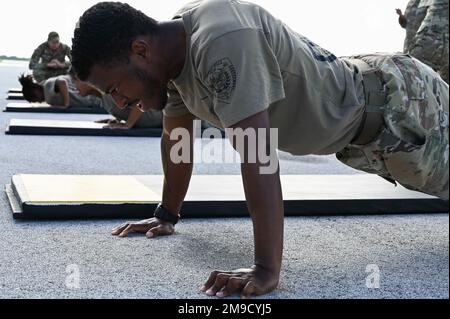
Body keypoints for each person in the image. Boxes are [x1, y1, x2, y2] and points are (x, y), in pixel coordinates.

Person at [71, 0, 449, 298]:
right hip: (372, 125)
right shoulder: (172, 61)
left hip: (403, 106)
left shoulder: (221, 42)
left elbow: (258, 156)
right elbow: (177, 142)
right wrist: (166, 214)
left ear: (140, 50)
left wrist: (265, 269)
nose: (120, 103)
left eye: (115, 88)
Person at [75, 79, 163, 129]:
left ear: (87, 81)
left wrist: (128, 124)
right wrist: (118, 120)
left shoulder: (111, 90)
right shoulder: (102, 100)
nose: (75, 86)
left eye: (77, 80)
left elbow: (141, 97)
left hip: (161, 116)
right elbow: (124, 108)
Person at [396, 0, 449, 83]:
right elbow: (408, 24)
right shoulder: (413, 3)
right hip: (413, 55)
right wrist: (401, 17)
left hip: (432, 54)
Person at [18, 73, 101, 109]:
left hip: (93, 99)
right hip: (92, 99)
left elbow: (62, 82)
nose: (39, 102)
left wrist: (66, 104)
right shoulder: (48, 85)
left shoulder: (47, 86)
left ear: (36, 91)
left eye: (36, 100)